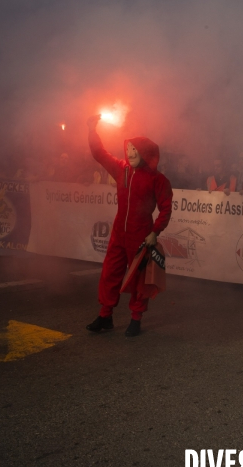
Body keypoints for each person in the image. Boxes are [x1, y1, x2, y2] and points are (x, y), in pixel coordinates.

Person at [85, 114, 173, 337]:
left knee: (138, 280)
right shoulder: (121, 169)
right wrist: (91, 130)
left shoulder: (157, 179)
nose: (131, 154)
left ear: (145, 154)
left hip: (141, 235)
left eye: (136, 151)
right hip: (118, 233)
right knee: (110, 274)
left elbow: (166, 208)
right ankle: (105, 315)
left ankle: (136, 318)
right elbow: (99, 154)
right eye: (129, 150)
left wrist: (155, 232)